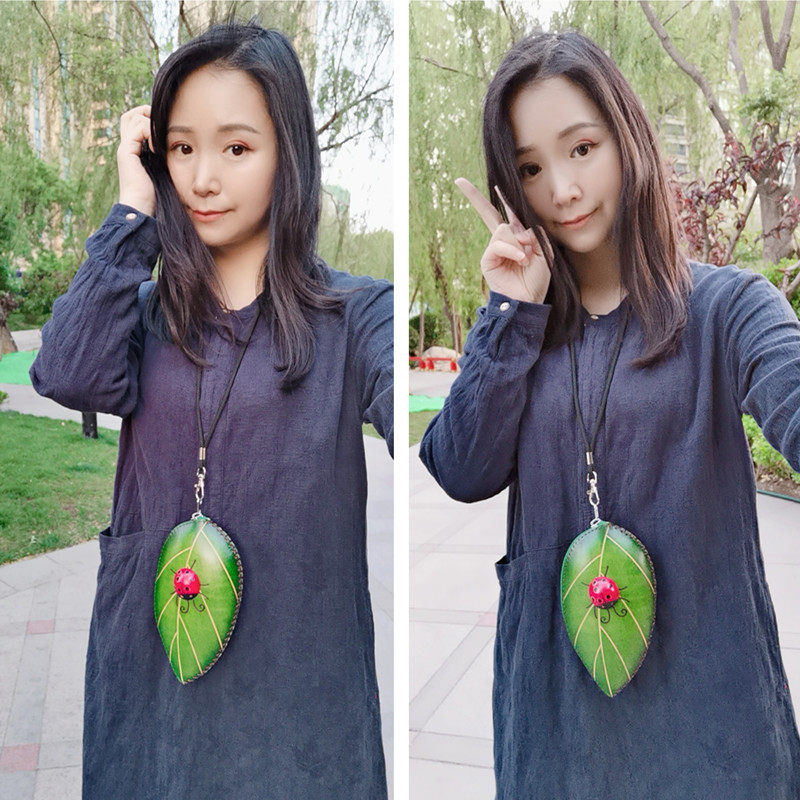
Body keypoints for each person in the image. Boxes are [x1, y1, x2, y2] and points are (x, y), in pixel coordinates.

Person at [419, 30, 800, 799]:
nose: (561, 188)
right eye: (530, 168)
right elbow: (460, 469)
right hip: (558, 737)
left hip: (713, 739)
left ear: (627, 142)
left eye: (582, 148)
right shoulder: (520, 332)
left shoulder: (727, 310)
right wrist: (509, 314)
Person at [30, 21, 392, 799]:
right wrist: (133, 212)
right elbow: (63, 372)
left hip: (294, 720)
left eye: (235, 147)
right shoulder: (142, 315)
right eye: (181, 148)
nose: (202, 178)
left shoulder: (356, 316)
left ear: (287, 156)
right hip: (154, 701)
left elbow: (454, 444)